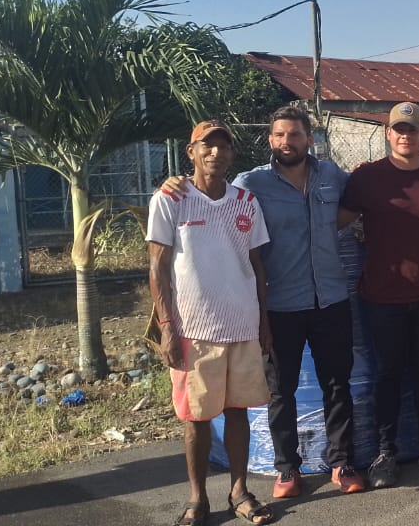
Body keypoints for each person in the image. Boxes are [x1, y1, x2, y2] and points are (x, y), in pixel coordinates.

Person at [163, 106, 365, 498]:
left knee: (337, 384)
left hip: (331, 300)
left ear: (309, 139)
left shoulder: (331, 176)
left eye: (295, 134)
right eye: (279, 135)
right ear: (270, 139)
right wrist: (177, 183)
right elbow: (211, 188)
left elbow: (363, 191)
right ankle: (287, 469)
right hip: (280, 303)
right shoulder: (251, 183)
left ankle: (342, 463)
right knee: (280, 390)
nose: (287, 142)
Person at [148, 121, 275, 526]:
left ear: (233, 154)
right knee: (197, 418)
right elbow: (157, 267)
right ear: (191, 152)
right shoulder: (171, 199)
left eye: (223, 146)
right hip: (194, 331)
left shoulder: (246, 202)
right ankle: (197, 498)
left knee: (239, 412)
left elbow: (256, 265)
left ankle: (239, 491)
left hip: (242, 326)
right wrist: (167, 325)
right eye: (207, 146)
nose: (215, 153)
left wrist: (264, 322)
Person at [339, 102, 419, 486]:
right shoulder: (366, 178)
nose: (405, 135)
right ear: (388, 133)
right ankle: (384, 453)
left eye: (412, 129)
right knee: (388, 375)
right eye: (399, 129)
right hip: (381, 296)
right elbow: (333, 220)